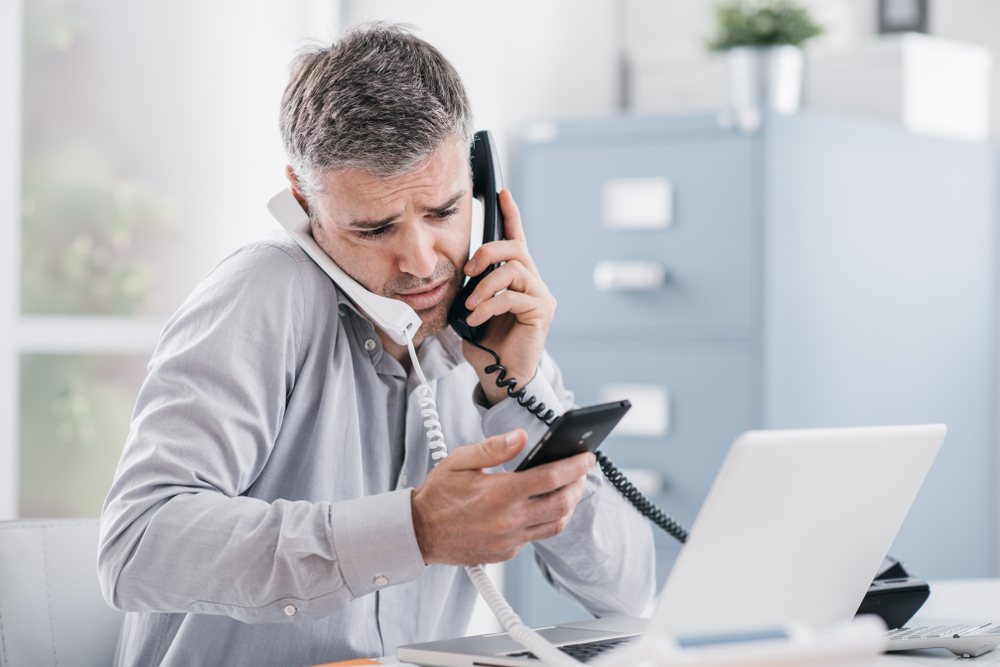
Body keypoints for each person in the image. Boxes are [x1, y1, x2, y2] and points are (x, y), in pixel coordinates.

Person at [98, 22, 655, 667]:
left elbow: (624, 593)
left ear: (477, 182)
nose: (421, 263)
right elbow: (135, 548)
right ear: (305, 198)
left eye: (444, 212)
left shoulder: (489, 324)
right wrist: (413, 530)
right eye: (373, 227)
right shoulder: (262, 295)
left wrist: (515, 392)